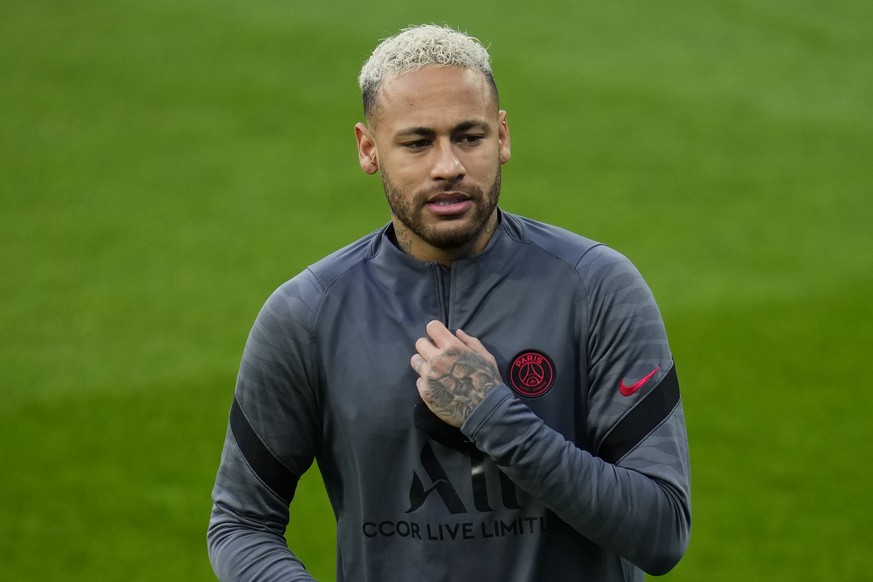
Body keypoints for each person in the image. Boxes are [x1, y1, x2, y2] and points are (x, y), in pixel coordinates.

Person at [207, 24, 691, 582]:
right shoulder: (308, 315)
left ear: (503, 136)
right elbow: (240, 523)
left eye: (469, 137)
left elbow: (662, 531)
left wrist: (492, 414)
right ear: (369, 149)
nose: (448, 167)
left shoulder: (596, 289)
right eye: (417, 142)